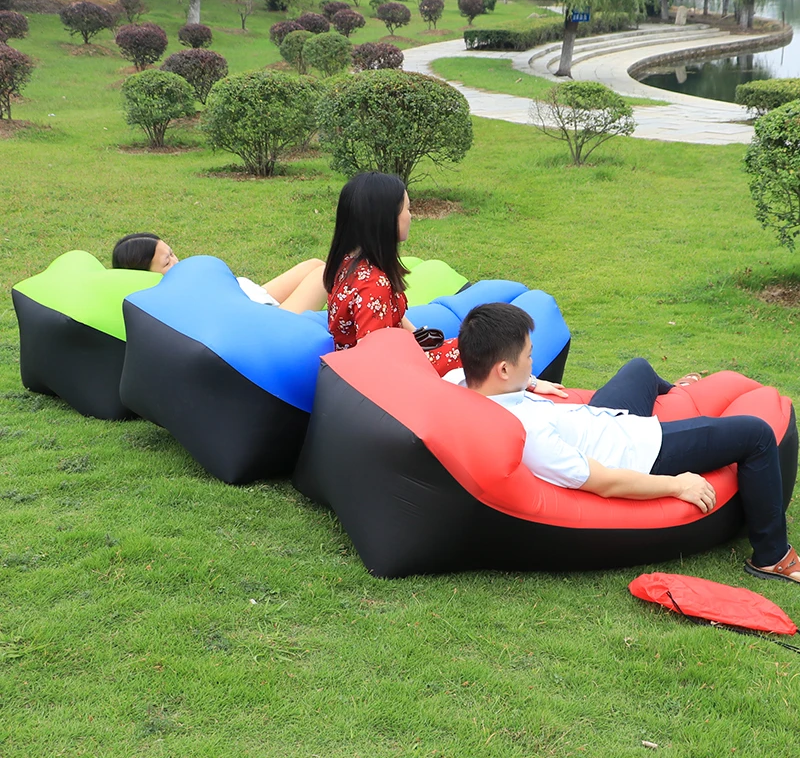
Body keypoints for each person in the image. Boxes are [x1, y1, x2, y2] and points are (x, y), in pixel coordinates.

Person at [450, 302, 799, 584]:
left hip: (598, 417)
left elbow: (443, 367)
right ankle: (772, 556)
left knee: (640, 369)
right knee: (756, 434)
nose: (532, 361)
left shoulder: (460, 383)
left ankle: (678, 395)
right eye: (528, 356)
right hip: (641, 451)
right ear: (503, 370)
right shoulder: (528, 435)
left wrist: (530, 382)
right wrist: (677, 485)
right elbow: (604, 481)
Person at [324, 172, 461, 376]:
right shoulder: (373, 285)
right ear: (386, 220)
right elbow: (374, 362)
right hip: (390, 373)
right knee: (473, 351)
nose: (410, 216)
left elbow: (392, 320)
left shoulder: (347, 264)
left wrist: (419, 338)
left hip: (393, 355)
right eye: (407, 209)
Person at [112, 233, 327, 315]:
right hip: (269, 319)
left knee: (314, 264)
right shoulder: (170, 302)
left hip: (250, 295)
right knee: (324, 273)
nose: (177, 262)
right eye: (167, 262)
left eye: (172, 254)